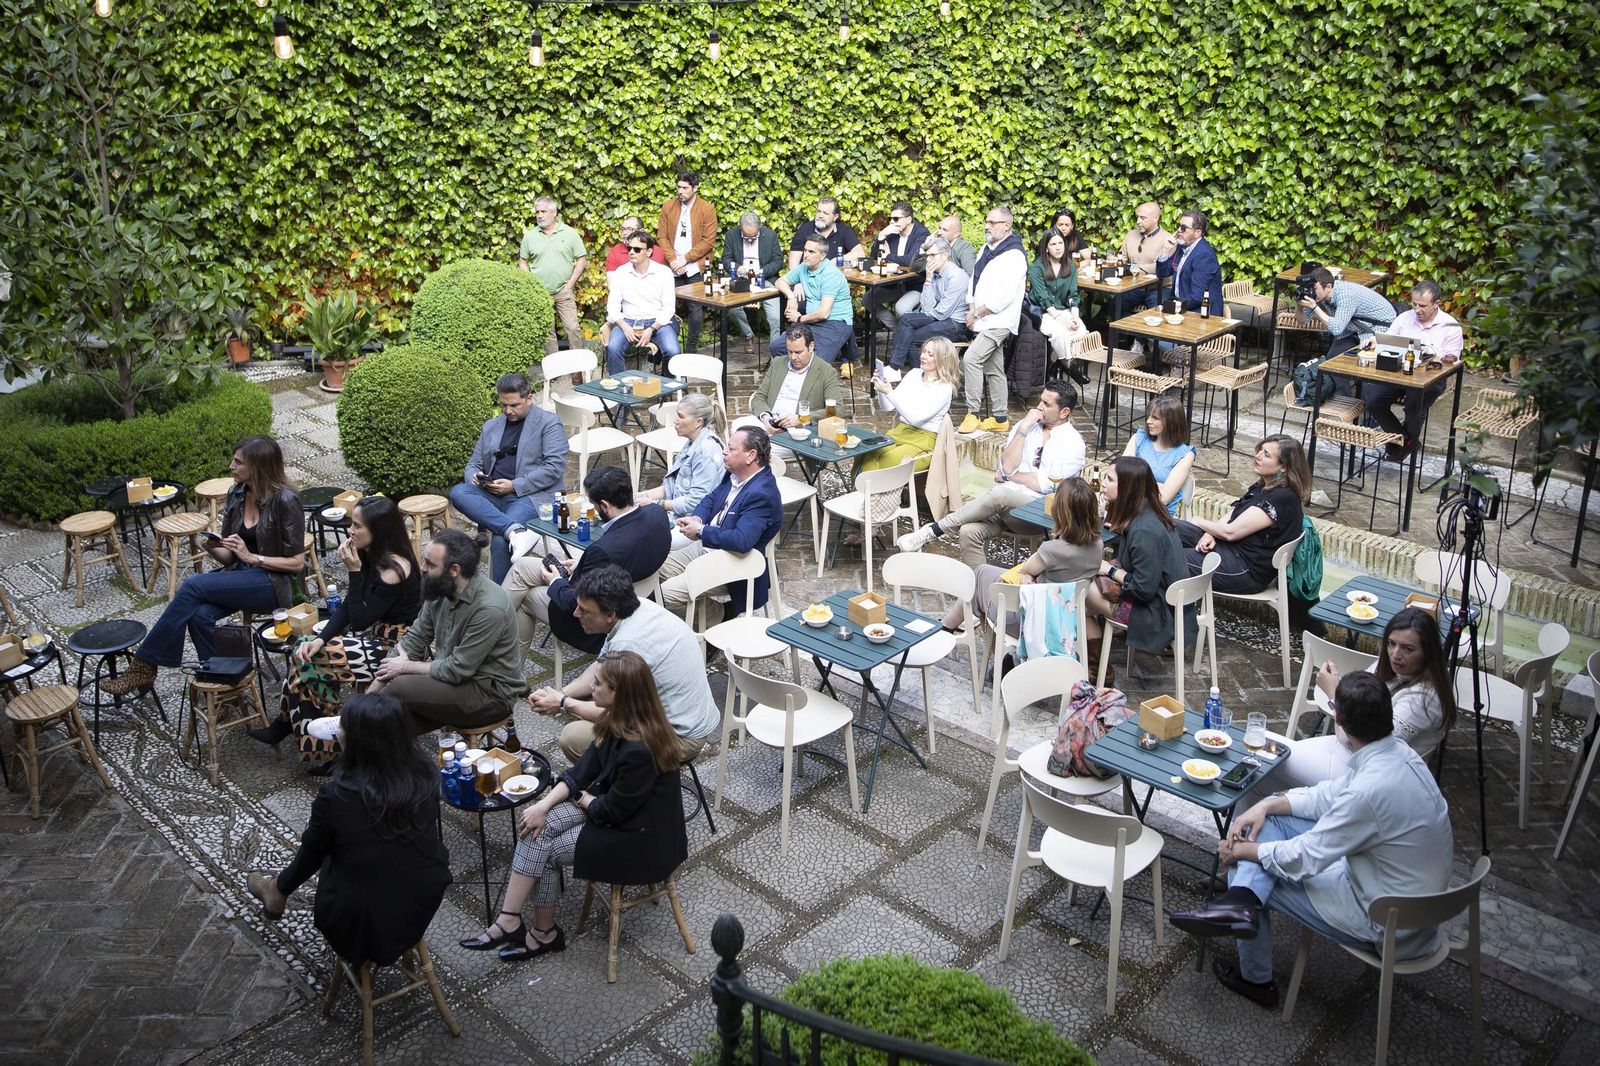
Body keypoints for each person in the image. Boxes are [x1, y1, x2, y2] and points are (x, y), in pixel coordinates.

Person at [1170, 672, 1453, 1009]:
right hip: (1410, 901)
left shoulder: (1369, 792)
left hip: (1386, 921)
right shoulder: (1400, 755)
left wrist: (1246, 851)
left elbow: (1306, 857)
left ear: (1338, 720)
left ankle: (1255, 976)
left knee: (1248, 870)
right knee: (1269, 827)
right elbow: (1330, 794)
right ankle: (1240, 902)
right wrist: (1265, 805)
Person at [460, 650, 688, 963]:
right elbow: (581, 772)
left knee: (547, 850)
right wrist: (542, 806)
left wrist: (580, 797)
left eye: (598, 683)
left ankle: (541, 933)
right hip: (613, 810)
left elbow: (610, 811)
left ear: (617, 692)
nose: (591, 687)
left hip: (640, 839)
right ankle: (510, 920)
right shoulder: (615, 720)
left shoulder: (640, 749)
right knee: (536, 826)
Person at [245, 693, 451, 968]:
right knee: (374, 846)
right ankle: (278, 890)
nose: (339, 731)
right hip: (422, 897)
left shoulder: (337, 796)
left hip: (360, 918)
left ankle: (277, 892)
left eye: (344, 726)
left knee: (324, 849)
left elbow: (312, 853)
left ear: (359, 741)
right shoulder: (428, 775)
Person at [248, 496, 422, 765]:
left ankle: (315, 737)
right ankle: (317, 737)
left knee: (308, 663)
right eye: (352, 523)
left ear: (378, 531)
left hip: (395, 647)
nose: (350, 530)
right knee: (306, 649)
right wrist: (320, 639)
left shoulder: (394, 569)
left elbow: (360, 620)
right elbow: (347, 608)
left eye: (357, 526)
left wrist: (353, 572)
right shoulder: (370, 553)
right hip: (375, 635)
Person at [122, 436, 304, 688]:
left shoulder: (285, 500)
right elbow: (229, 557)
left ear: (258, 466)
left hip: (272, 583)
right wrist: (212, 547)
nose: (231, 466)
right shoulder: (236, 494)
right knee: (198, 615)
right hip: (241, 575)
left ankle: (145, 663)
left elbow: (297, 563)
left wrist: (253, 558)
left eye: (238, 462)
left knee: (193, 584)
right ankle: (226, 680)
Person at [527, 568, 720, 762]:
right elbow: (601, 666)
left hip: (678, 738)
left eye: (584, 610)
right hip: (689, 720)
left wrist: (563, 703)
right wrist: (561, 693)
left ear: (610, 615)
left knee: (573, 738)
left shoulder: (628, 644)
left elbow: (616, 715)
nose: (576, 614)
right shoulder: (638, 607)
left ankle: (616, 780)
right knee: (595, 695)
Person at [897, 380, 1086, 566]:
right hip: (1006, 508)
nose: (1039, 407)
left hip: (1041, 514)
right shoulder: (1027, 426)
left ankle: (933, 531)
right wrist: (1022, 429)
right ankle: (979, 585)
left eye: (1046, 404)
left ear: (1064, 412)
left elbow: (1044, 485)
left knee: (1000, 493)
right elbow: (1006, 467)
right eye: (1040, 400)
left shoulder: (1073, 443)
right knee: (969, 531)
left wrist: (1010, 477)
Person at [502, 465, 671, 660]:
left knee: (525, 598)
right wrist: (582, 564)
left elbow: (575, 603)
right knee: (521, 567)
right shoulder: (657, 513)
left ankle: (505, 663)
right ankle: (492, 625)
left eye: (594, 505)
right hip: (641, 597)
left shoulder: (603, 550)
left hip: (597, 619)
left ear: (604, 505)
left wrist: (555, 581)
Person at [369, 529, 524, 737]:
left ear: (454, 570)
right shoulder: (439, 589)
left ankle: (357, 721)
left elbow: (457, 670)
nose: (422, 568)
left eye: (430, 564)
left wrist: (404, 667)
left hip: (489, 695)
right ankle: (357, 732)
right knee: (385, 724)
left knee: (399, 687)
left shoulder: (489, 608)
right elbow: (414, 639)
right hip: (450, 682)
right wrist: (372, 691)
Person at [1278, 607, 1456, 786]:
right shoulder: (1389, 669)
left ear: (1428, 653)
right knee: (1272, 766)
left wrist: (1334, 694)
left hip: (1374, 775)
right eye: (1391, 643)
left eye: (1408, 649)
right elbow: (1354, 712)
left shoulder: (1423, 699)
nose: (1395, 654)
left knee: (1275, 757)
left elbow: (1356, 742)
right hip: (1349, 754)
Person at [940, 476, 1103, 635]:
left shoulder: (1052, 550)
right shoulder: (1098, 546)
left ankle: (947, 627)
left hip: (1030, 620)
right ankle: (950, 626)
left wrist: (1029, 574)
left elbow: (1027, 567)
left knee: (979, 580)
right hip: (1065, 618)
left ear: (1060, 512)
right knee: (982, 574)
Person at [448, 371, 568, 583]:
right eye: (503, 405)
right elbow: (473, 464)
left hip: (530, 496)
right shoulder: (491, 426)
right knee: (458, 492)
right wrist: (474, 476)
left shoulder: (549, 423)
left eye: (514, 405)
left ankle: (501, 597)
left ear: (529, 398)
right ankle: (513, 530)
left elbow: (554, 468)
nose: (508, 411)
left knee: (500, 541)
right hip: (492, 492)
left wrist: (514, 485)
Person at [657, 425, 783, 623]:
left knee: (665, 594)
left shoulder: (761, 494)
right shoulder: (734, 473)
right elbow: (711, 498)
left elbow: (742, 541)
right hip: (708, 547)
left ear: (750, 456)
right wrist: (697, 518)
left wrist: (701, 531)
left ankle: (721, 615)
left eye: (731, 448)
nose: (724, 451)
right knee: (654, 567)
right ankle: (702, 615)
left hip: (735, 562)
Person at [1085, 457, 1191, 684]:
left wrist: (1110, 571)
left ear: (1127, 488)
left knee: (1080, 595)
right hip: (1169, 606)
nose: (1103, 483)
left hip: (1155, 616)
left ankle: (1097, 670)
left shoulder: (1144, 531)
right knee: (1085, 591)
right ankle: (1094, 665)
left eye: (1110, 479)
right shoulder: (1150, 513)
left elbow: (1143, 589)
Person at [1176, 434, 1308, 595]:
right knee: (1168, 529)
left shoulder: (1282, 498)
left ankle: (1168, 607)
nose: (1258, 456)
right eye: (1260, 450)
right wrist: (1211, 533)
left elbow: (1230, 533)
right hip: (1229, 549)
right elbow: (1233, 516)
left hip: (1246, 569)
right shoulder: (1263, 485)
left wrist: (1198, 521)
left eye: (1266, 454)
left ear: (1283, 467)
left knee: (1169, 556)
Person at [1362, 279, 1463, 458]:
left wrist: (1436, 356)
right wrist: (1376, 341)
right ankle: (1407, 441)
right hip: (1399, 373)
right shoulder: (1405, 318)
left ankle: (1400, 447)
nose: (1417, 309)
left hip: (1430, 378)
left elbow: (1451, 362)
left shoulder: (1451, 326)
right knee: (1373, 400)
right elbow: (1389, 339)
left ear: (1437, 304)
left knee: (1415, 404)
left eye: (1422, 306)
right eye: (1414, 304)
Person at [959, 205, 1029, 434]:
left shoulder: (1014, 255)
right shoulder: (986, 248)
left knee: (971, 359)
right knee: (994, 368)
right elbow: (974, 279)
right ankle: (1000, 418)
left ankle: (973, 413)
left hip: (999, 321)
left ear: (1006, 225)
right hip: (982, 318)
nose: (986, 226)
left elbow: (1004, 297)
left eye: (992, 222)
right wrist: (971, 306)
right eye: (986, 221)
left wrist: (976, 313)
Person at [861, 335, 958, 474]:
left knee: (885, 461)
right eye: (924, 351)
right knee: (866, 454)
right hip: (900, 431)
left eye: (930, 354)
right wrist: (881, 389)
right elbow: (887, 407)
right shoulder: (914, 374)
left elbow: (915, 418)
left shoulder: (944, 388)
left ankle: (867, 487)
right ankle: (865, 487)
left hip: (924, 440)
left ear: (942, 359)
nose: (923, 356)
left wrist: (889, 392)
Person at [744, 325, 842, 456]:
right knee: (738, 429)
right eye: (789, 352)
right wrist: (766, 419)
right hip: (769, 423)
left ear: (811, 346)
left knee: (752, 450)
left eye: (798, 352)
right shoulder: (778, 363)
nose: (793, 357)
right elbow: (759, 397)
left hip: (796, 432)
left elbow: (838, 409)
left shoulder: (826, 371)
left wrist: (801, 418)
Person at [657, 171, 718, 352]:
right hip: (673, 265)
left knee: (695, 309)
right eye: (679, 187)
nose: (680, 191)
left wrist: (685, 259)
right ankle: (669, 347)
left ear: (695, 188)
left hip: (695, 266)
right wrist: (673, 260)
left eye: (685, 188)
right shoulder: (668, 206)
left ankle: (691, 349)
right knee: (666, 306)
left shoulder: (707, 209)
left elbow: (708, 241)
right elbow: (661, 237)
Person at [886, 237, 970, 370]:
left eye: (932, 255)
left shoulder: (956, 276)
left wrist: (921, 319)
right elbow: (927, 307)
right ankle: (897, 368)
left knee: (913, 336)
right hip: (941, 318)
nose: (929, 260)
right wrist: (929, 278)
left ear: (945, 255)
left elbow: (942, 313)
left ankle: (913, 374)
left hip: (956, 325)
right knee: (906, 320)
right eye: (927, 256)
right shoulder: (935, 273)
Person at [638, 392, 726, 517]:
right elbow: (672, 487)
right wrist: (640, 496)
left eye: (681, 416)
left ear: (698, 422)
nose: (675, 421)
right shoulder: (693, 441)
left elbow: (696, 503)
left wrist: (655, 504)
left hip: (691, 521)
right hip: (680, 514)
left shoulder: (706, 451)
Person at [771, 234, 855, 364]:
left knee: (817, 362)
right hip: (811, 322)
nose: (805, 255)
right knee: (777, 347)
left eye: (811, 252)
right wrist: (791, 296)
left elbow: (823, 313)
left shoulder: (831, 274)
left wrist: (799, 319)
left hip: (835, 323)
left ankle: (806, 375)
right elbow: (780, 282)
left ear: (822, 255)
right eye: (805, 250)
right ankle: (793, 374)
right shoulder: (804, 267)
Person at [603, 231, 679, 374]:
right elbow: (612, 306)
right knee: (613, 348)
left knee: (673, 351)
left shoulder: (664, 273)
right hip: (628, 320)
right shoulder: (621, 272)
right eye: (629, 248)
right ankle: (619, 385)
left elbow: (669, 308)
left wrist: (651, 329)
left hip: (657, 322)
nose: (631, 252)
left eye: (637, 249)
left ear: (649, 252)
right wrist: (625, 327)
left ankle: (666, 384)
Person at [518, 196, 586, 353]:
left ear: (554, 213)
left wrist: (570, 284)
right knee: (547, 332)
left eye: (543, 211)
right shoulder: (530, 236)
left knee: (572, 328)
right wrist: (532, 285)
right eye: (537, 212)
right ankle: (553, 366)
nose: (539, 215)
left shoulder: (570, 233)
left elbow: (581, 259)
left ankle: (578, 365)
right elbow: (523, 262)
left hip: (564, 289)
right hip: (540, 292)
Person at [720, 210, 785, 354]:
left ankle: (775, 354)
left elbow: (778, 262)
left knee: (776, 317)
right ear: (740, 228)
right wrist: (737, 268)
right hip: (741, 279)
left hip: (765, 279)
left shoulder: (770, 235)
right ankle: (748, 335)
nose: (749, 240)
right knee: (731, 308)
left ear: (759, 229)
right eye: (746, 236)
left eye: (753, 237)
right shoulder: (732, 234)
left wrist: (761, 271)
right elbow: (726, 259)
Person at [1121, 394, 1196, 516]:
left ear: (1171, 422)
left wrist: (1135, 480)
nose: (1148, 421)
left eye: (1155, 418)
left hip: (1158, 515)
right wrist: (1156, 485)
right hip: (1129, 506)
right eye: (1148, 416)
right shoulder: (1138, 438)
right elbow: (1121, 474)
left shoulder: (1185, 455)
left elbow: (1164, 498)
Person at [1301, 264, 1396, 358]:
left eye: (1315, 288)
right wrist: (1299, 304)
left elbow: (1336, 328)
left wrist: (1315, 307)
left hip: (1377, 328)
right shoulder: (1321, 294)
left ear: (1328, 287)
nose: (1312, 291)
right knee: (1332, 358)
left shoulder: (1346, 295)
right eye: (1310, 287)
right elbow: (1302, 321)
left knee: (1362, 359)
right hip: (1352, 329)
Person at [866, 201, 930, 331]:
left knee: (901, 308)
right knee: (868, 299)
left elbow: (911, 261)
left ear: (908, 219)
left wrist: (888, 256)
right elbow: (875, 257)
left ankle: (915, 335)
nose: (892, 222)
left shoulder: (922, 233)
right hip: (893, 284)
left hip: (915, 285)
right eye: (890, 219)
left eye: (896, 219)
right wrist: (881, 236)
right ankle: (897, 330)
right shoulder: (892, 232)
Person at [1029, 230, 1086, 366]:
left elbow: (1073, 295)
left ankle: (1057, 364)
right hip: (1042, 312)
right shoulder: (1037, 267)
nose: (1058, 247)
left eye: (1060, 243)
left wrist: (1075, 317)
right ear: (1046, 248)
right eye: (1053, 244)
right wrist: (1061, 320)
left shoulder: (1071, 266)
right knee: (1060, 333)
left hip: (1062, 309)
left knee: (1080, 330)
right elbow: (1043, 298)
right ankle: (1069, 367)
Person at [1153, 209, 1224, 318]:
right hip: (1182, 307)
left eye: (1183, 228)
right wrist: (1165, 251)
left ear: (1197, 233)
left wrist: (1172, 308)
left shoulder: (1204, 254)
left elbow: (1198, 296)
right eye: (1178, 226)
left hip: (1201, 313)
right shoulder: (1182, 247)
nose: (1178, 230)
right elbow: (1163, 273)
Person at [787, 196, 864, 269]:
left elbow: (860, 253)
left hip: (833, 276)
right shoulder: (804, 230)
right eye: (819, 211)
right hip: (808, 276)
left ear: (835, 217)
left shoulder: (843, 230)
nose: (820, 216)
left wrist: (836, 260)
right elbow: (793, 263)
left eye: (825, 213)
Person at [1118, 201, 1170, 277]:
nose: (1138, 221)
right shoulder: (1130, 235)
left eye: (1143, 218)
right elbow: (1121, 260)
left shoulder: (1168, 240)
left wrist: (1134, 268)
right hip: (1129, 283)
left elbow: (1162, 267)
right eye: (1138, 217)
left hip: (1157, 284)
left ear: (1155, 218)